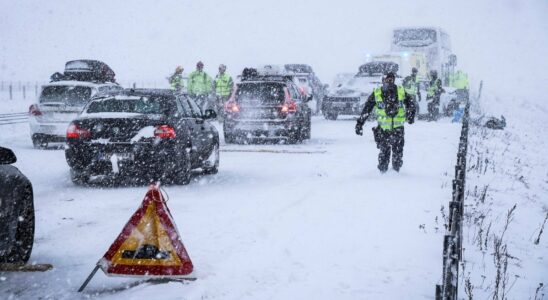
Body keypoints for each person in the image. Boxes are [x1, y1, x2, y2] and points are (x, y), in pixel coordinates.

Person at [355, 72, 416, 173]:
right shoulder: (377, 93)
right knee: (384, 154)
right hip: (383, 130)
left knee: (398, 155)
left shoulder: (401, 91)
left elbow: (411, 103)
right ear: (383, 80)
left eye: (391, 79)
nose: (389, 81)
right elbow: (367, 109)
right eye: (387, 79)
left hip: (398, 129)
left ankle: (397, 175)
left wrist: (411, 115)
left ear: (394, 80)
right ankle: (382, 176)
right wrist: (360, 123)